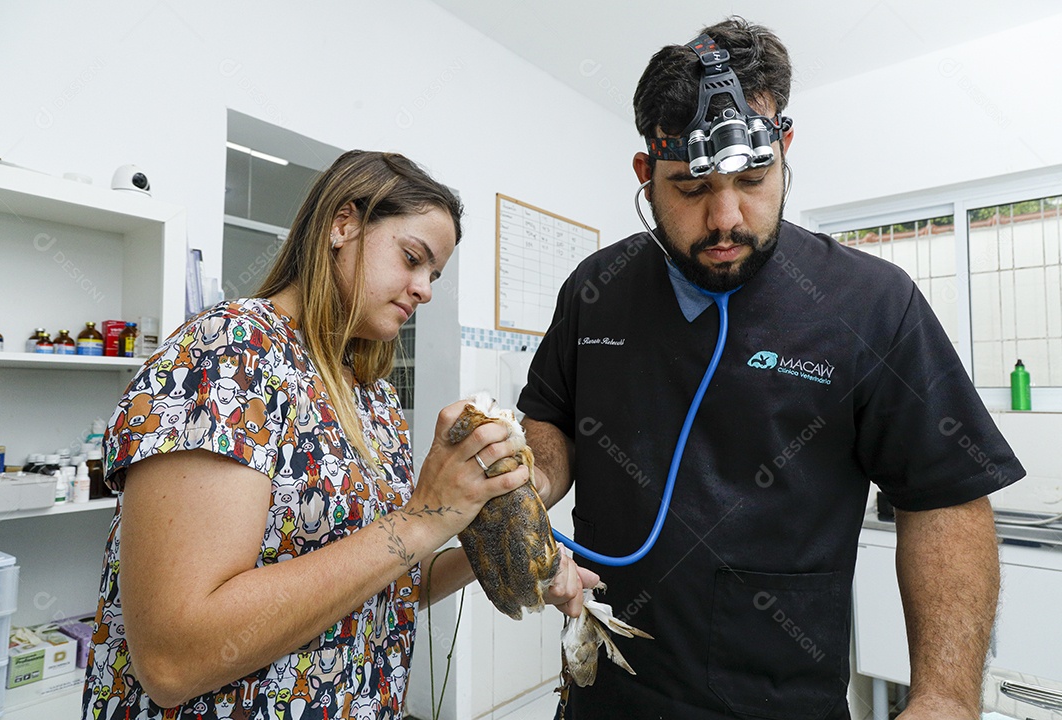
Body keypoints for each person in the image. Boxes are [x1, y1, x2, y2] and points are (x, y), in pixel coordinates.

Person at [518, 17, 1025, 720]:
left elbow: (944, 495)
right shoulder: (594, 289)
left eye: (754, 180)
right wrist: (533, 482)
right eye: (691, 191)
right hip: (609, 689)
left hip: (779, 698)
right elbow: (550, 417)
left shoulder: (872, 303)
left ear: (785, 148)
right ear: (646, 175)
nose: (726, 219)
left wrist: (944, 695)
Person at [82, 150, 592, 720]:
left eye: (434, 274)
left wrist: (496, 541)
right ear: (342, 224)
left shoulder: (370, 395)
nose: (423, 289)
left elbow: (387, 584)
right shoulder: (230, 355)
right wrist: (425, 515)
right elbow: (176, 659)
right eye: (412, 258)